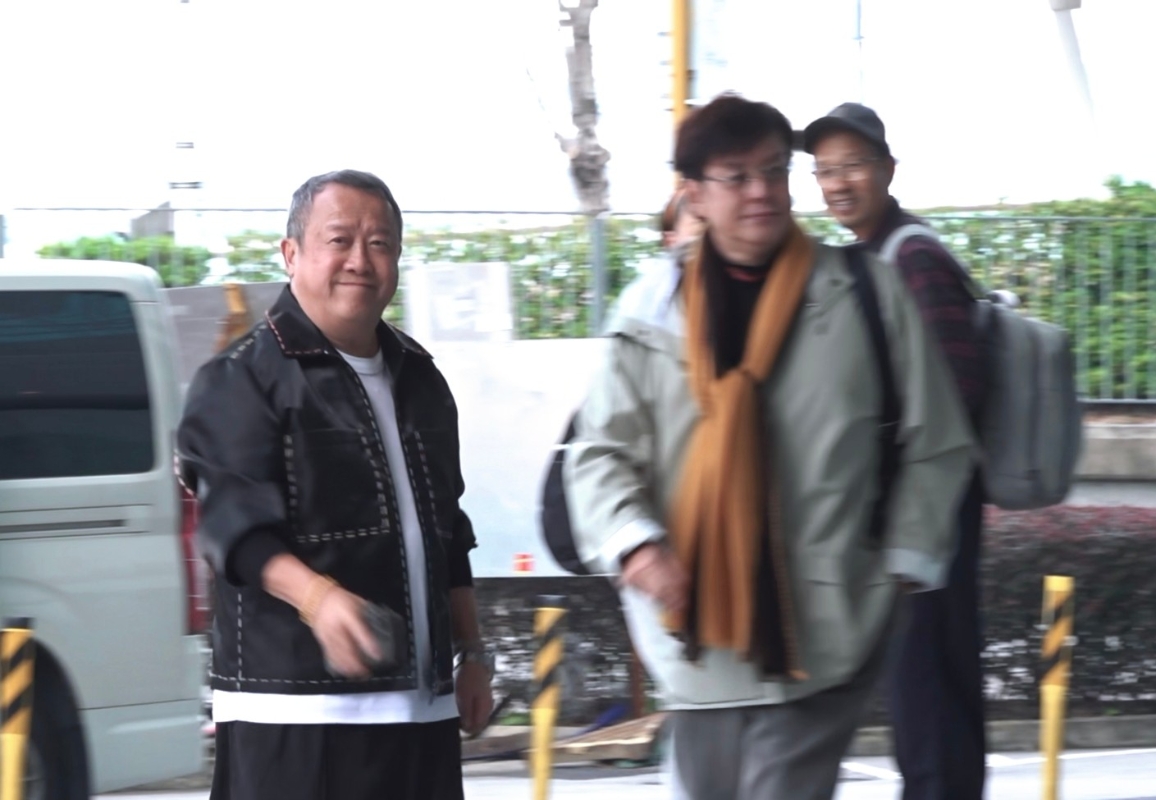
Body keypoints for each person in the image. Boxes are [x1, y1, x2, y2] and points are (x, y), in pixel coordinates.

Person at [562, 93, 976, 800]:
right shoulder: (653, 308)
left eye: (775, 170)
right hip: (692, 635)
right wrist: (634, 544)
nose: (761, 191)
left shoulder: (865, 292)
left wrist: (900, 564)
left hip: (830, 624)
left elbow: (938, 439)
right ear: (694, 192)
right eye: (737, 176)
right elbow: (599, 451)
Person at [178, 169, 493, 800]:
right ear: (291, 253)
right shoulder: (240, 376)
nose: (360, 261)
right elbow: (235, 529)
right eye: (339, 240)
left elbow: (447, 532)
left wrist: (472, 653)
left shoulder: (421, 378)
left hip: (424, 712)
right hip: (298, 716)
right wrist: (319, 601)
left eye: (379, 244)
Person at [803, 102, 988, 800]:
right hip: (913, 509)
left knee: (928, 687)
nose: (838, 183)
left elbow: (954, 393)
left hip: (929, 511)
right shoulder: (879, 255)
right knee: (924, 686)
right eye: (825, 171)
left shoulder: (912, 257)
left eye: (852, 165)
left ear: (887, 168)